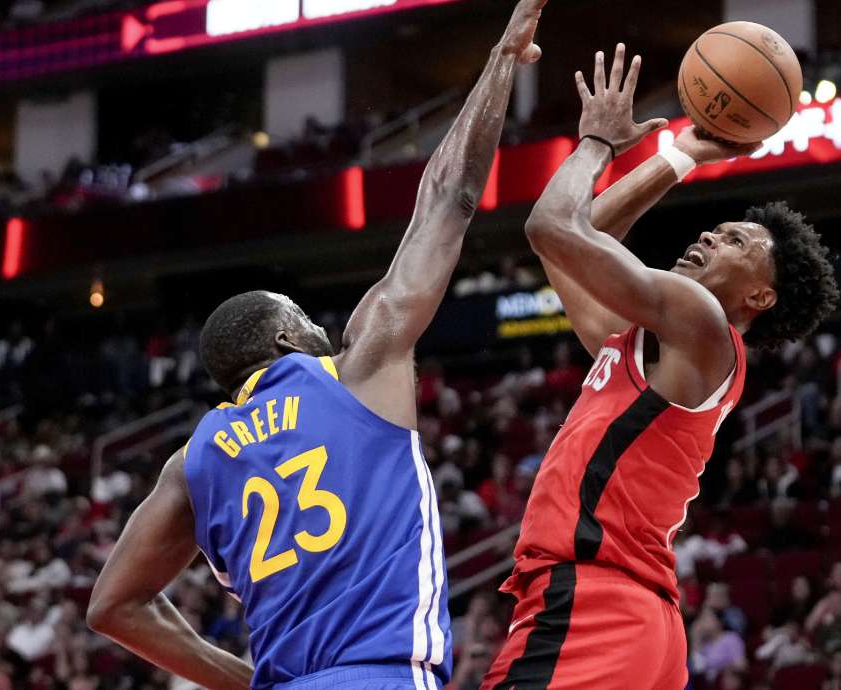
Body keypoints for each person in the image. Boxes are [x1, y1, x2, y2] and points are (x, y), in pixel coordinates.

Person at [84, 3, 550, 688]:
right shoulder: (357, 368)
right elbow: (449, 198)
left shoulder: (194, 461)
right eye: (305, 320)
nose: (322, 331)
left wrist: (248, 682)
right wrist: (499, 62)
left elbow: (112, 606)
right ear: (284, 337)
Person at [479, 42, 838, 690]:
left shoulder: (704, 322)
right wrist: (684, 154)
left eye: (734, 241)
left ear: (760, 298)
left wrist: (597, 143)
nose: (709, 236)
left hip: (596, 603)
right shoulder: (644, 348)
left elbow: (551, 226)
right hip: (630, 611)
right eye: (717, 230)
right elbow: (569, 247)